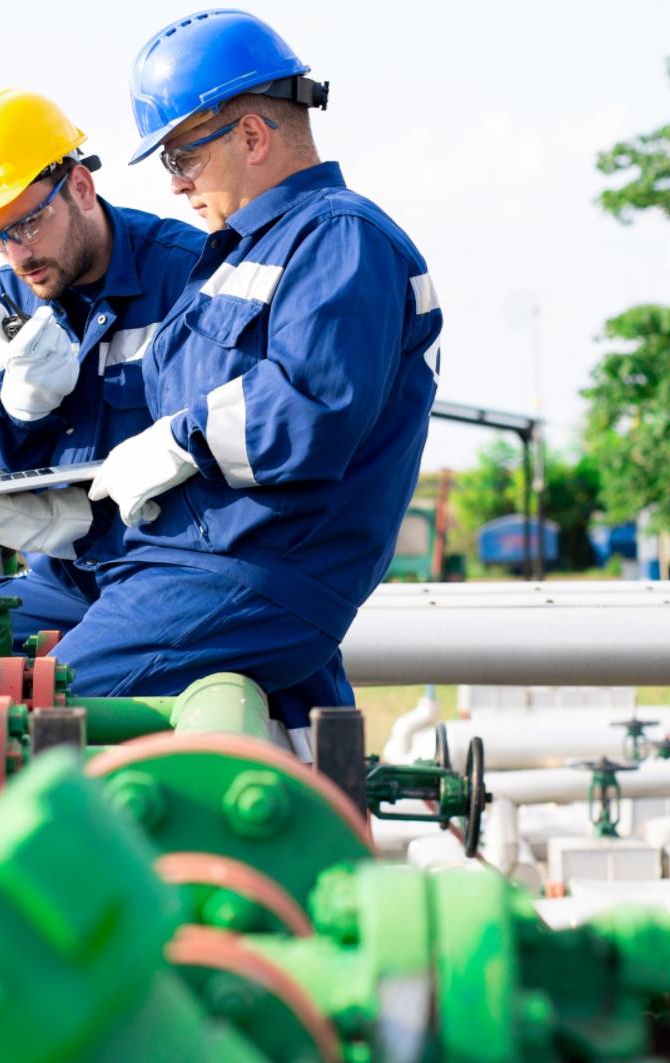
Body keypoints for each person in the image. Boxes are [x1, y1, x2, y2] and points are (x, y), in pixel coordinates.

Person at [61, 8, 444, 745]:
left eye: (179, 158)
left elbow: (314, 403)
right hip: (196, 562)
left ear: (252, 136)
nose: (174, 187)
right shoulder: (239, 256)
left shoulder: (340, 237)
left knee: (33, 721)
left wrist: (178, 442)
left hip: (251, 573)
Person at [0, 89, 201, 648]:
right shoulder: (6, 298)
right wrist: (17, 411)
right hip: (64, 579)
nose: (18, 255)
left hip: (168, 572)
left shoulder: (189, 275)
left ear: (81, 187)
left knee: (62, 688)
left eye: (30, 224)